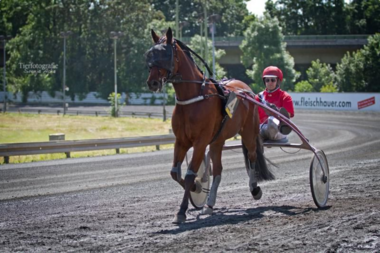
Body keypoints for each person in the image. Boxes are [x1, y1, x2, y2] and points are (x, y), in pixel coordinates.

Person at [256, 66, 294, 142]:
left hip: (278, 132)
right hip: (261, 130)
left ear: (278, 81)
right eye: (267, 80)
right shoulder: (258, 97)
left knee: (271, 120)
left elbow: (288, 115)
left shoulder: (285, 97)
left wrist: (276, 114)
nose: (270, 82)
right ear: (264, 81)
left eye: (273, 80)